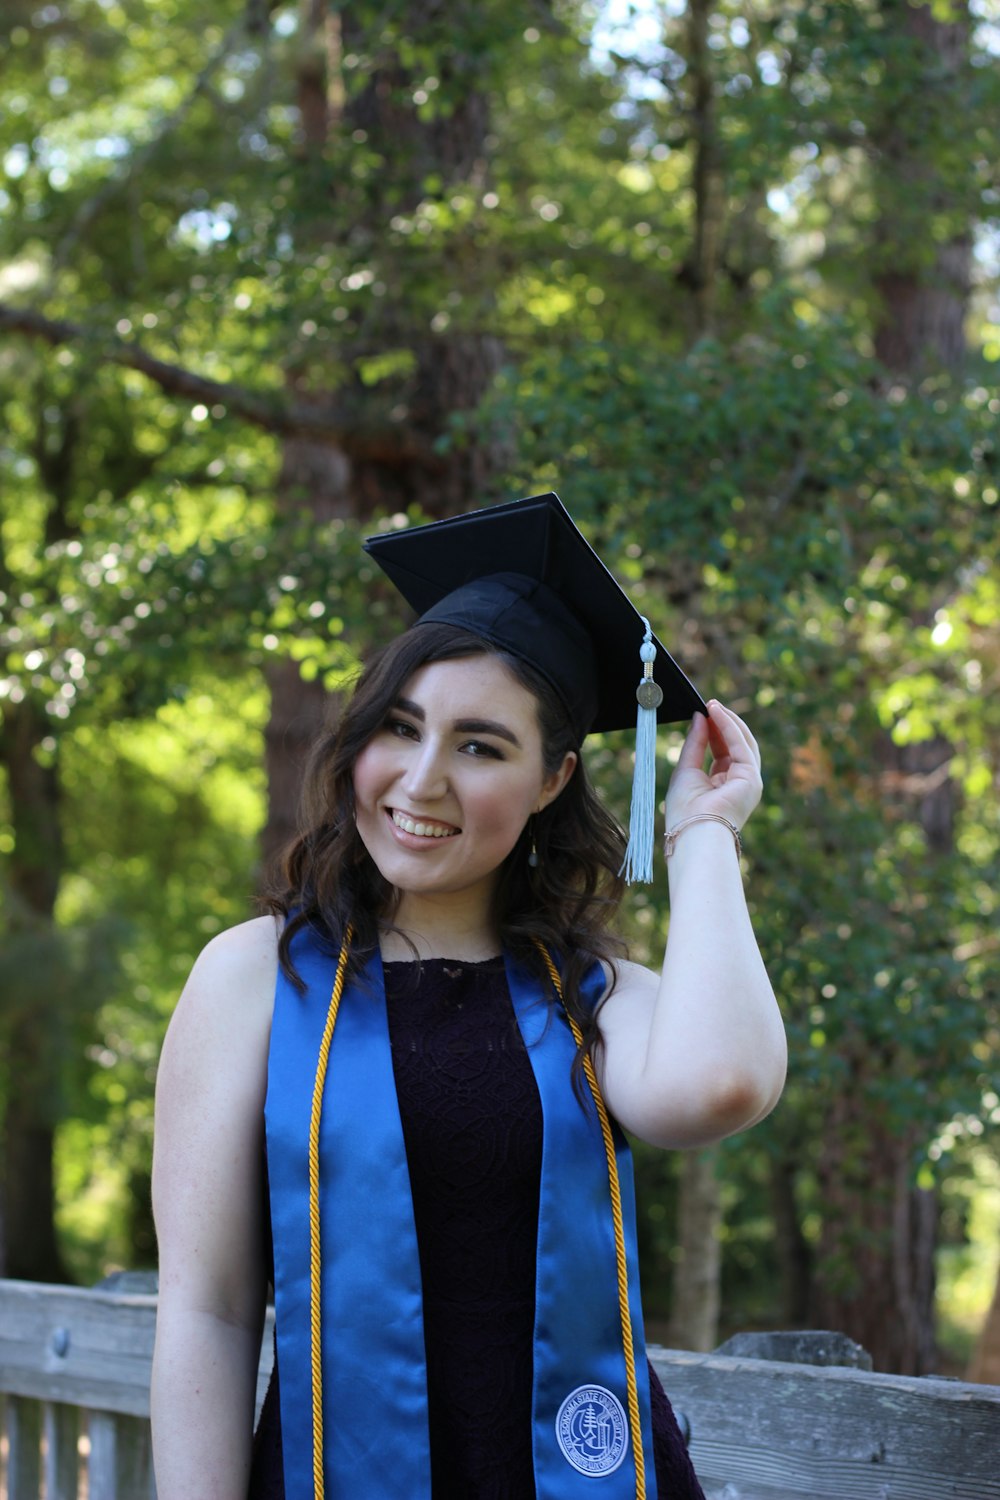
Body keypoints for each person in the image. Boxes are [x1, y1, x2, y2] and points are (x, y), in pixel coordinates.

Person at [150, 493, 786, 1500]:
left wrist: (702, 834)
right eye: (399, 728)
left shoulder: (595, 997)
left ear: (551, 780)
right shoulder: (255, 980)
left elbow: (722, 1083)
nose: (422, 780)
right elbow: (208, 1310)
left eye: (481, 746)